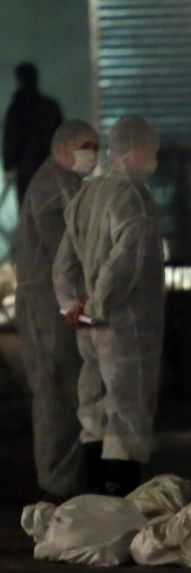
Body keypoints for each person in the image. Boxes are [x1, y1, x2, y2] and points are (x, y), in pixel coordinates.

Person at [53, 115, 163, 496]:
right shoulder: (131, 198)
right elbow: (125, 261)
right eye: (150, 150)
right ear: (133, 151)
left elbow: (64, 259)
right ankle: (120, 503)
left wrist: (71, 303)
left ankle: (93, 502)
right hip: (124, 324)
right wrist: (99, 303)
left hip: (89, 327)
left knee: (94, 410)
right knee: (126, 413)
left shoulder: (88, 193)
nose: (153, 158)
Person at [15, 120, 99, 501]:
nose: (93, 154)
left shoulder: (66, 184)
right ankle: (57, 485)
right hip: (47, 305)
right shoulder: (52, 188)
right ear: (65, 147)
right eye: (87, 146)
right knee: (56, 393)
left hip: (58, 301)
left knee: (67, 389)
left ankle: (66, 480)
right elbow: (66, 251)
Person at [3, 63, 64, 204]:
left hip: (25, 171)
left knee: (27, 211)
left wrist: (8, 164)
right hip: (49, 169)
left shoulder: (17, 109)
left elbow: (12, 139)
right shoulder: (51, 107)